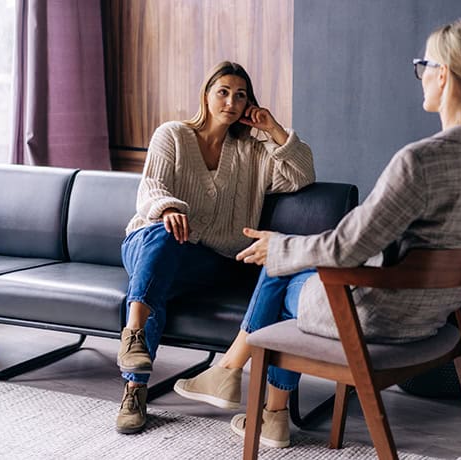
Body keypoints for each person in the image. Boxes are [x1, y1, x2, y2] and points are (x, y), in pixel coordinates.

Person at [174, 18, 461, 448]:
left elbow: (347, 246)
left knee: (281, 268)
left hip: (376, 317)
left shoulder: (421, 161)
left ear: (444, 75)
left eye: (423, 65)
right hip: (436, 317)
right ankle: (260, 405)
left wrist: (281, 246)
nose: (421, 76)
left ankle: (244, 388)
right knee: (290, 257)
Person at [115, 61, 315, 434]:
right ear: (206, 95)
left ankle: (136, 372)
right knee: (164, 240)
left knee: (166, 263)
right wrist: (169, 208)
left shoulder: (253, 152)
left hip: (213, 260)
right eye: (223, 91)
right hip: (148, 241)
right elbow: (150, 188)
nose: (231, 101)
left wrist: (273, 129)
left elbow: (302, 177)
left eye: (241, 95)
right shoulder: (172, 134)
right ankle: (134, 363)